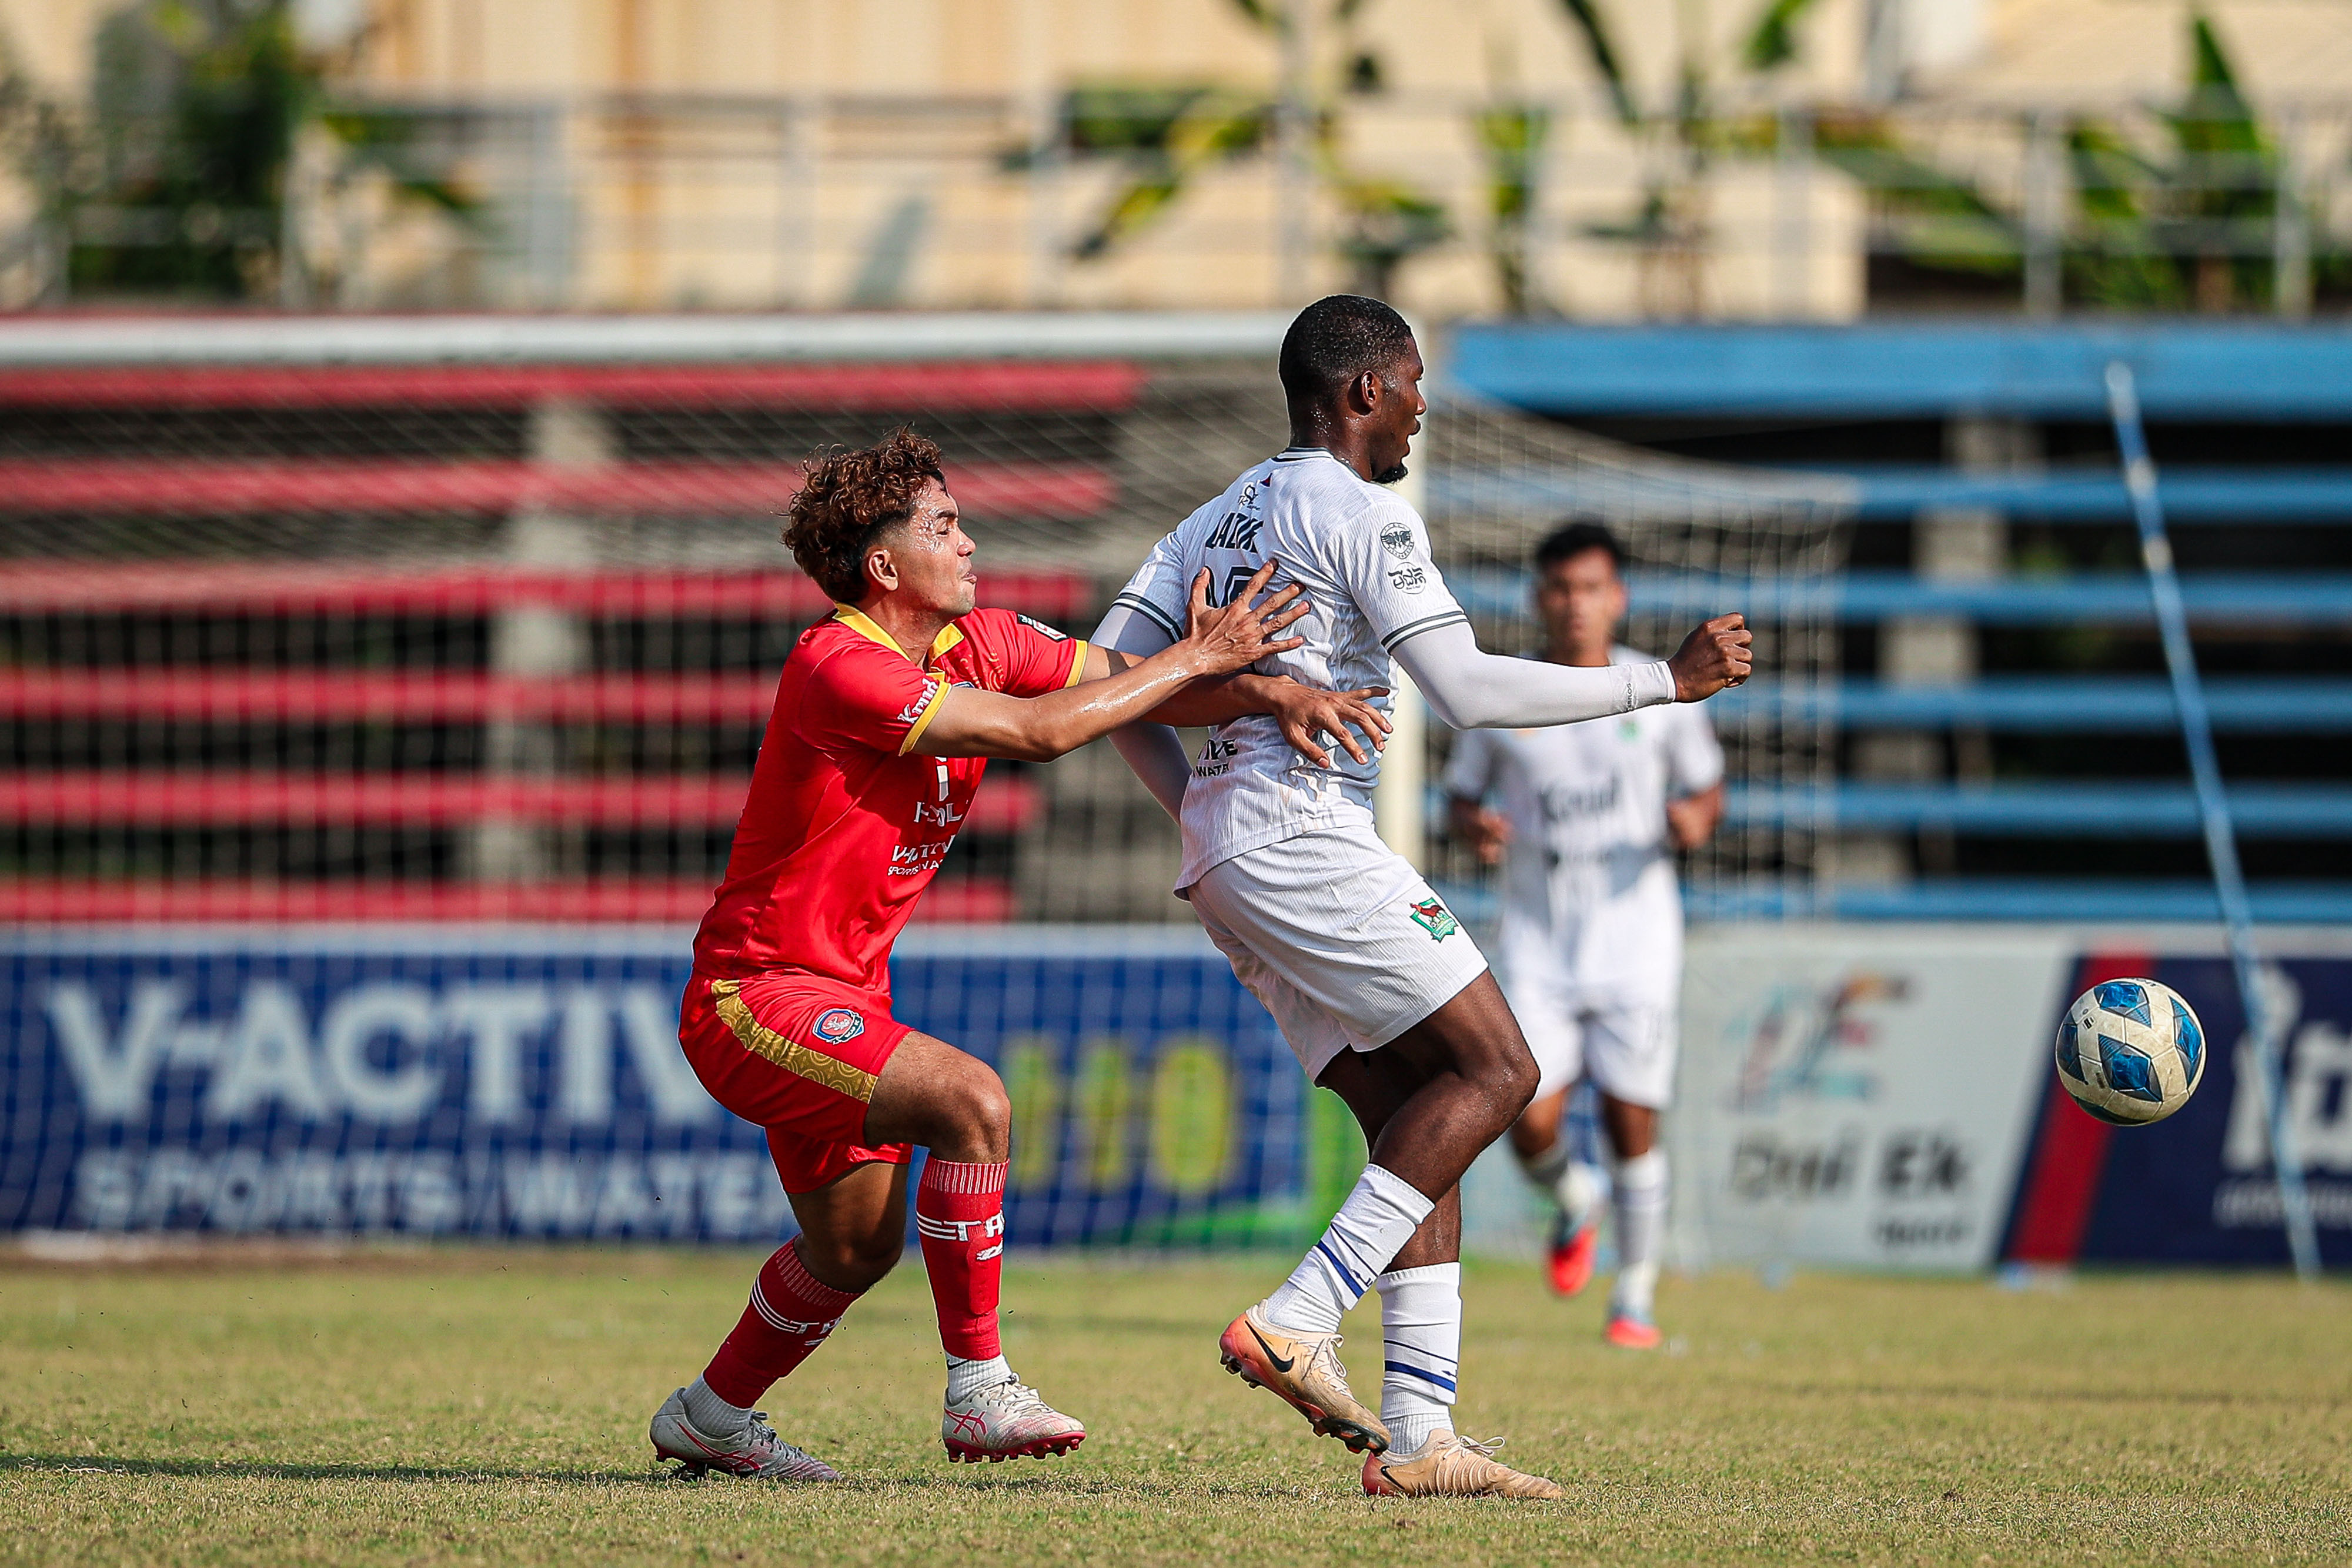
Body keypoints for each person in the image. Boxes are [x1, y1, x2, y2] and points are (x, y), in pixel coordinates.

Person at [1093, 296, 1750, 1499]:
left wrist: (1197, 811)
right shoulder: (1361, 512)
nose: (1421, 408)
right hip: (1303, 832)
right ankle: (1300, 1314)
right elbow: (1467, 691)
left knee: (1415, 1114)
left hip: (1229, 853)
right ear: (1362, 392)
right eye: (1410, 384)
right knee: (1499, 1070)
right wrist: (1663, 679)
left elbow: (1109, 678)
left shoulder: (1218, 511)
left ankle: (1418, 1435)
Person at [647, 429, 1389, 1480]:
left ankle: (710, 1415)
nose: (970, 542)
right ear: (885, 565)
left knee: (854, 1249)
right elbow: (1041, 734)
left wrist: (1269, 693)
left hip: (845, 995)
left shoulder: (983, 640)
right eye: (945, 526)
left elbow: (1135, 683)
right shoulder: (837, 665)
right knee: (974, 1102)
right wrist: (1201, 654)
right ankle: (980, 1390)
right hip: (754, 997)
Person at [1445, 522, 1725, 1352]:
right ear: (1541, 598)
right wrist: (1474, 827)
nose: (1577, 606)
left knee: (1633, 1120)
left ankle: (1634, 1296)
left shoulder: (1663, 690)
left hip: (1638, 938)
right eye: (1562, 590)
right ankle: (1574, 1198)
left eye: (1592, 589)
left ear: (1618, 598)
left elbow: (1708, 788)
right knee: (1525, 1112)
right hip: (1538, 939)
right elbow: (1460, 798)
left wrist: (1695, 819)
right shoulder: (1507, 696)